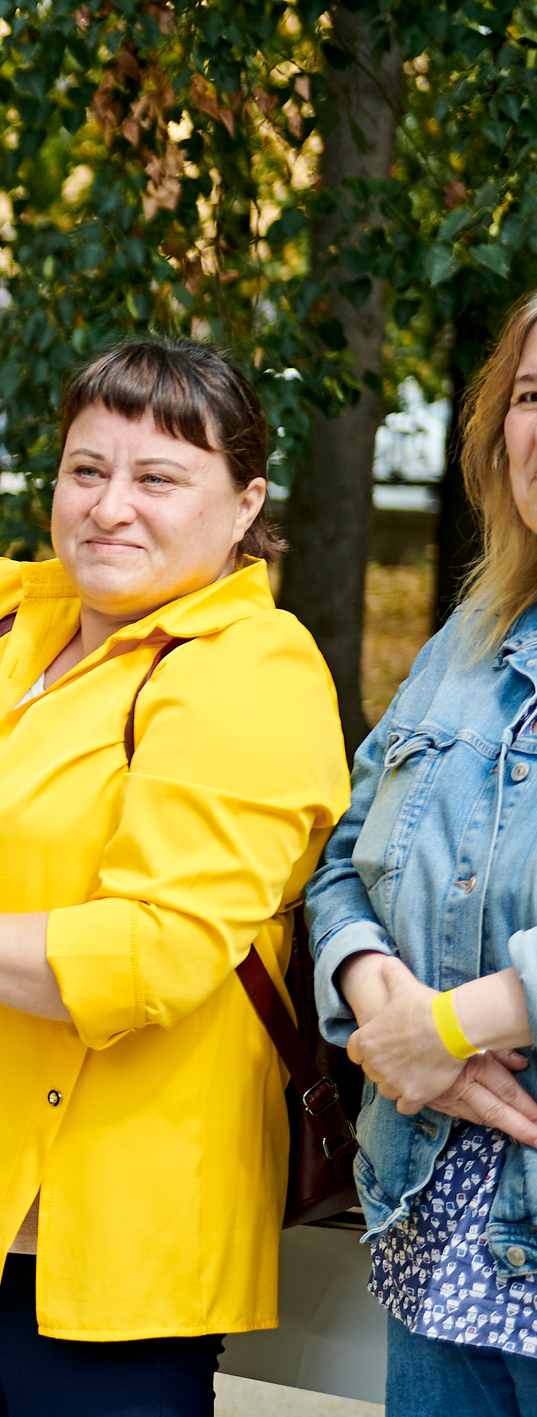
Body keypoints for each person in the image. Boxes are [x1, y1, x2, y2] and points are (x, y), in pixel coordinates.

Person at [0, 267, 350, 1414]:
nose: (108, 505)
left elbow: (148, 954)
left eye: (157, 478)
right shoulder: (26, 614)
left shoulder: (249, 672)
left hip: (102, 1239)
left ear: (244, 505)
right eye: (86, 470)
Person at [307, 287, 537, 1413]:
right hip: (436, 1237)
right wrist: (373, 994)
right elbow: (344, 858)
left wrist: (442, 1030)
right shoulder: (465, 642)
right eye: (532, 396)